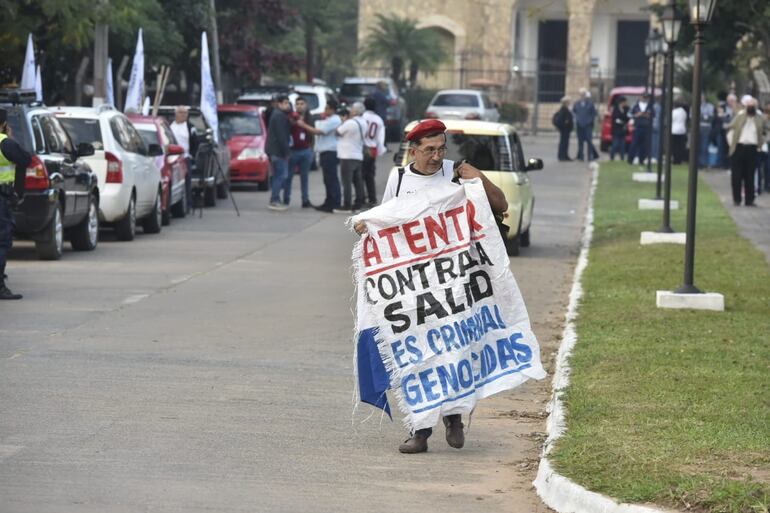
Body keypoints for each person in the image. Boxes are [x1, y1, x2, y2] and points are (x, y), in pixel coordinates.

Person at [354, 119, 508, 454]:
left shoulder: (458, 172)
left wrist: (478, 177)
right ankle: (420, 430)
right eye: (429, 150)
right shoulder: (398, 178)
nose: (437, 156)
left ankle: (453, 417)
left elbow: (500, 205)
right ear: (413, 150)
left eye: (441, 149)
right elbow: (387, 218)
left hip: (454, 283)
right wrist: (367, 224)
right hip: (412, 288)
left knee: (453, 350)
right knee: (418, 355)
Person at [0, 109, 33, 300]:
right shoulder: (6, 143)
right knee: (2, 242)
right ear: (4, 124)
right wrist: (9, 136)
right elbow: (26, 159)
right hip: (1, 199)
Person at [298, 100, 342, 212]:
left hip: (330, 152)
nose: (325, 110)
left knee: (331, 179)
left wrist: (304, 125)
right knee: (327, 179)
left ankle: (334, 202)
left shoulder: (334, 120)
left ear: (332, 109)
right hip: (324, 152)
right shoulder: (328, 119)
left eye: (327, 108)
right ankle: (328, 201)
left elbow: (320, 131)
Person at [726, 96, 764, 206]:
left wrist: (762, 142)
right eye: (749, 105)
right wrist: (731, 143)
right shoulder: (740, 116)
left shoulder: (759, 118)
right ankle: (737, 199)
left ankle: (749, 200)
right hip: (739, 147)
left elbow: (766, 129)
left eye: (753, 105)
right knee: (736, 176)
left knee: (750, 175)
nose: (751, 107)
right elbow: (731, 129)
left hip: (752, 148)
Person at [334, 102, 366, 213]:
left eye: (352, 108)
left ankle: (347, 205)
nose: (350, 110)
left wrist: (343, 121)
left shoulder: (350, 122)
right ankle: (358, 204)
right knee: (358, 181)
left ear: (355, 111)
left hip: (347, 156)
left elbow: (337, 132)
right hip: (358, 154)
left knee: (346, 181)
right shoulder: (364, 122)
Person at [286, 96, 315, 208]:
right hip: (293, 151)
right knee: (288, 177)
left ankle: (305, 200)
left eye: (302, 103)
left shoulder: (309, 117)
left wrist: (311, 150)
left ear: (306, 105)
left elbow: (313, 133)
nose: (299, 106)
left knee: (305, 177)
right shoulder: (291, 117)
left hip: (306, 150)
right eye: (297, 104)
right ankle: (286, 199)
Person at [266, 95, 292, 211]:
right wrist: (286, 152)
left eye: (288, 103)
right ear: (279, 104)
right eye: (285, 103)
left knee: (279, 175)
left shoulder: (278, 114)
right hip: (278, 151)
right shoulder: (279, 116)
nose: (288, 105)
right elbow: (282, 136)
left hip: (275, 150)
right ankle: (274, 199)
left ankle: (275, 198)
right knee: (280, 176)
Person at [169, 106, 195, 213]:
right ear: (176, 114)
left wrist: (192, 155)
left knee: (186, 181)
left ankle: (188, 204)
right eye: (181, 112)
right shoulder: (170, 126)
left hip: (185, 157)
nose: (184, 115)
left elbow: (195, 142)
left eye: (185, 113)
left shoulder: (190, 127)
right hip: (173, 158)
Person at [361, 97, 387, 206]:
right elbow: (381, 138)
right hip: (372, 149)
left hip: (362, 148)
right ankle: (372, 199)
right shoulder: (378, 119)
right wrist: (380, 150)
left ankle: (361, 198)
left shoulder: (361, 117)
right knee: (370, 175)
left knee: (360, 175)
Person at [572, 88, 598, 161]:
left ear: (585, 95)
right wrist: (576, 118)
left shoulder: (590, 103)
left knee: (589, 141)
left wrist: (590, 120)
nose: (582, 96)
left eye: (583, 94)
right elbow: (573, 112)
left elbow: (594, 113)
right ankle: (581, 156)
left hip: (588, 125)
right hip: (579, 125)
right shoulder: (576, 103)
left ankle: (590, 156)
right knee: (580, 142)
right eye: (581, 95)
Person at [628, 92, 652, 165]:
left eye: (646, 98)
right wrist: (636, 115)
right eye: (644, 97)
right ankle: (630, 159)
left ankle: (642, 160)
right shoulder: (635, 106)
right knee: (634, 143)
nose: (645, 99)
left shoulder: (650, 106)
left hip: (646, 126)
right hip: (637, 126)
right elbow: (629, 114)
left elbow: (653, 115)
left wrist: (648, 115)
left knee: (644, 145)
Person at [552, 96, 573, 161]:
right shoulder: (563, 110)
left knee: (565, 143)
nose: (569, 103)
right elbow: (562, 119)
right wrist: (565, 123)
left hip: (566, 129)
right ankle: (562, 156)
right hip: (564, 129)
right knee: (563, 143)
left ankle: (565, 155)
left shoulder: (565, 109)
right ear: (566, 102)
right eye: (568, 102)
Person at [698, 95, 716, 168]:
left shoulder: (709, 106)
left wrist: (703, 116)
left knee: (704, 145)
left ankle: (703, 162)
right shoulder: (694, 105)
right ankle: (698, 162)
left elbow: (710, 118)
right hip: (698, 127)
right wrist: (704, 116)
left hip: (706, 127)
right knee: (698, 145)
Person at [610, 96, 629, 161]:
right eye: (625, 102)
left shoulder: (626, 109)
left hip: (623, 129)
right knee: (615, 144)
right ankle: (612, 157)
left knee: (622, 145)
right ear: (621, 102)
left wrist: (626, 122)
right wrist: (623, 122)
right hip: (616, 129)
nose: (626, 103)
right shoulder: (615, 109)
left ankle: (622, 158)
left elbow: (628, 117)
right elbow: (615, 119)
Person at [671, 100, 688, 165]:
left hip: (674, 130)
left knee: (675, 146)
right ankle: (679, 159)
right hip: (682, 130)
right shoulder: (684, 112)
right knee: (680, 146)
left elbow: (671, 119)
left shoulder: (674, 112)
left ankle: (675, 160)